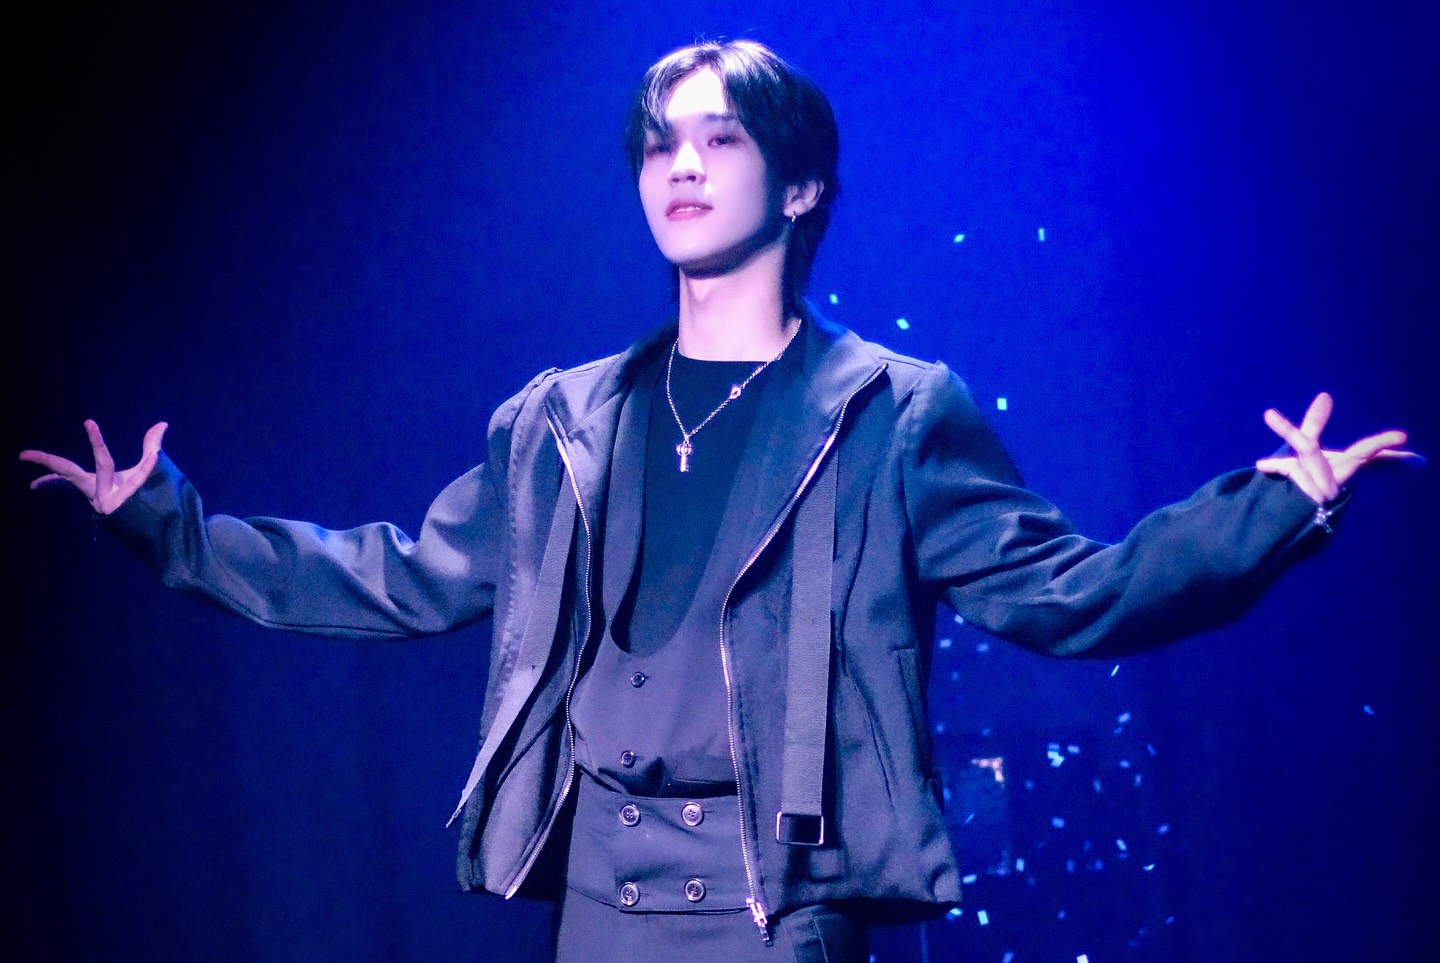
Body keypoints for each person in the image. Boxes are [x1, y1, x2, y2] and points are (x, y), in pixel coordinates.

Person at [20, 39, 1413, 963]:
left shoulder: (892, 413)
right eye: (656, 145)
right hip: (599, 903)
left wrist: (1274, 507)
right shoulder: (563, 419)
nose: (678, 167)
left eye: (718, 140)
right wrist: (169, 526)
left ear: (800, 184)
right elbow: (404, 574)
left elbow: (1069, 593)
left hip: (774, 912)